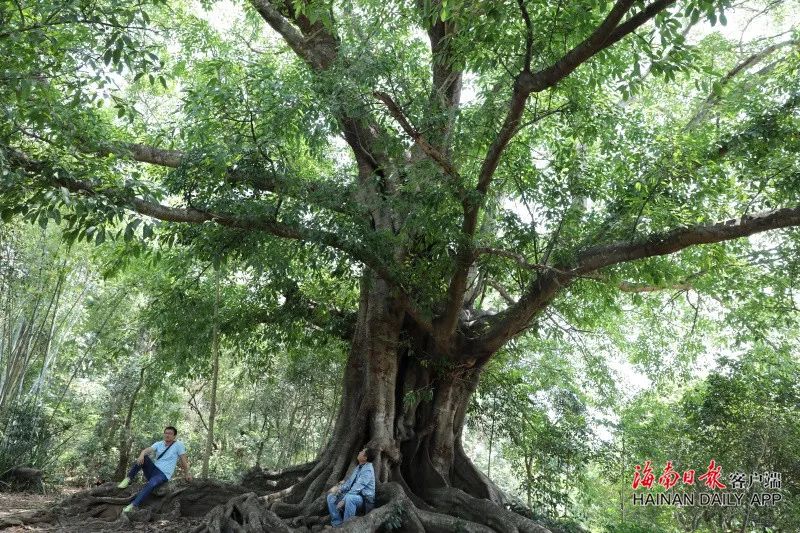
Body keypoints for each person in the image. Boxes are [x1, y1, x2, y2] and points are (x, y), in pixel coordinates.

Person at [116, 426, 192, 513]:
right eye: (166, 433)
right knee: (144, 458)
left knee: (151, 483)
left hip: (163, 474)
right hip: (153, 470)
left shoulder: (178, 445)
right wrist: (142, 454)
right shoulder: (159, 444)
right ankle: (128, 479)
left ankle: (133, 505)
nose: (167, 435)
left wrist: (187, 473)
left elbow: (184, 461)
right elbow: (147, 450)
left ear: (174, 436)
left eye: (170, 433)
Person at [326, 448, 376, 527]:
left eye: (362, 451)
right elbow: (349, 483)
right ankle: (337, 524)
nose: (359, 452)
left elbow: (357, 487)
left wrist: (343, 500)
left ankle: (346, 527)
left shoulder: (368, 470)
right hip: (354, 495)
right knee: (331, 497)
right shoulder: (358, 467)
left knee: (350, 498)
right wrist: (339, 489)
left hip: (364, 500)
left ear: (365, 458)